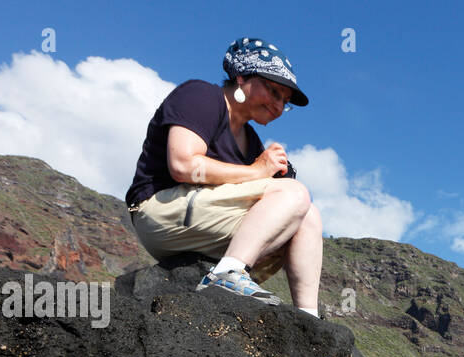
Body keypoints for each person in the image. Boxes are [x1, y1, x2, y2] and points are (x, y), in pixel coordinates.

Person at [124, 37, 322, 312]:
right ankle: (225, 275)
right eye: (274, 92)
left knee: (307, 213)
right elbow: (183, 165)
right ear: (241, 78)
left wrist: (273, 177)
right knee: (295, 194)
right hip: (159, 211)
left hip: (200, 224)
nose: (278, 107)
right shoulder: (201, 95)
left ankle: (308, 318)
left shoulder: (251, 140)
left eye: (285, 102)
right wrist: (257, 172)